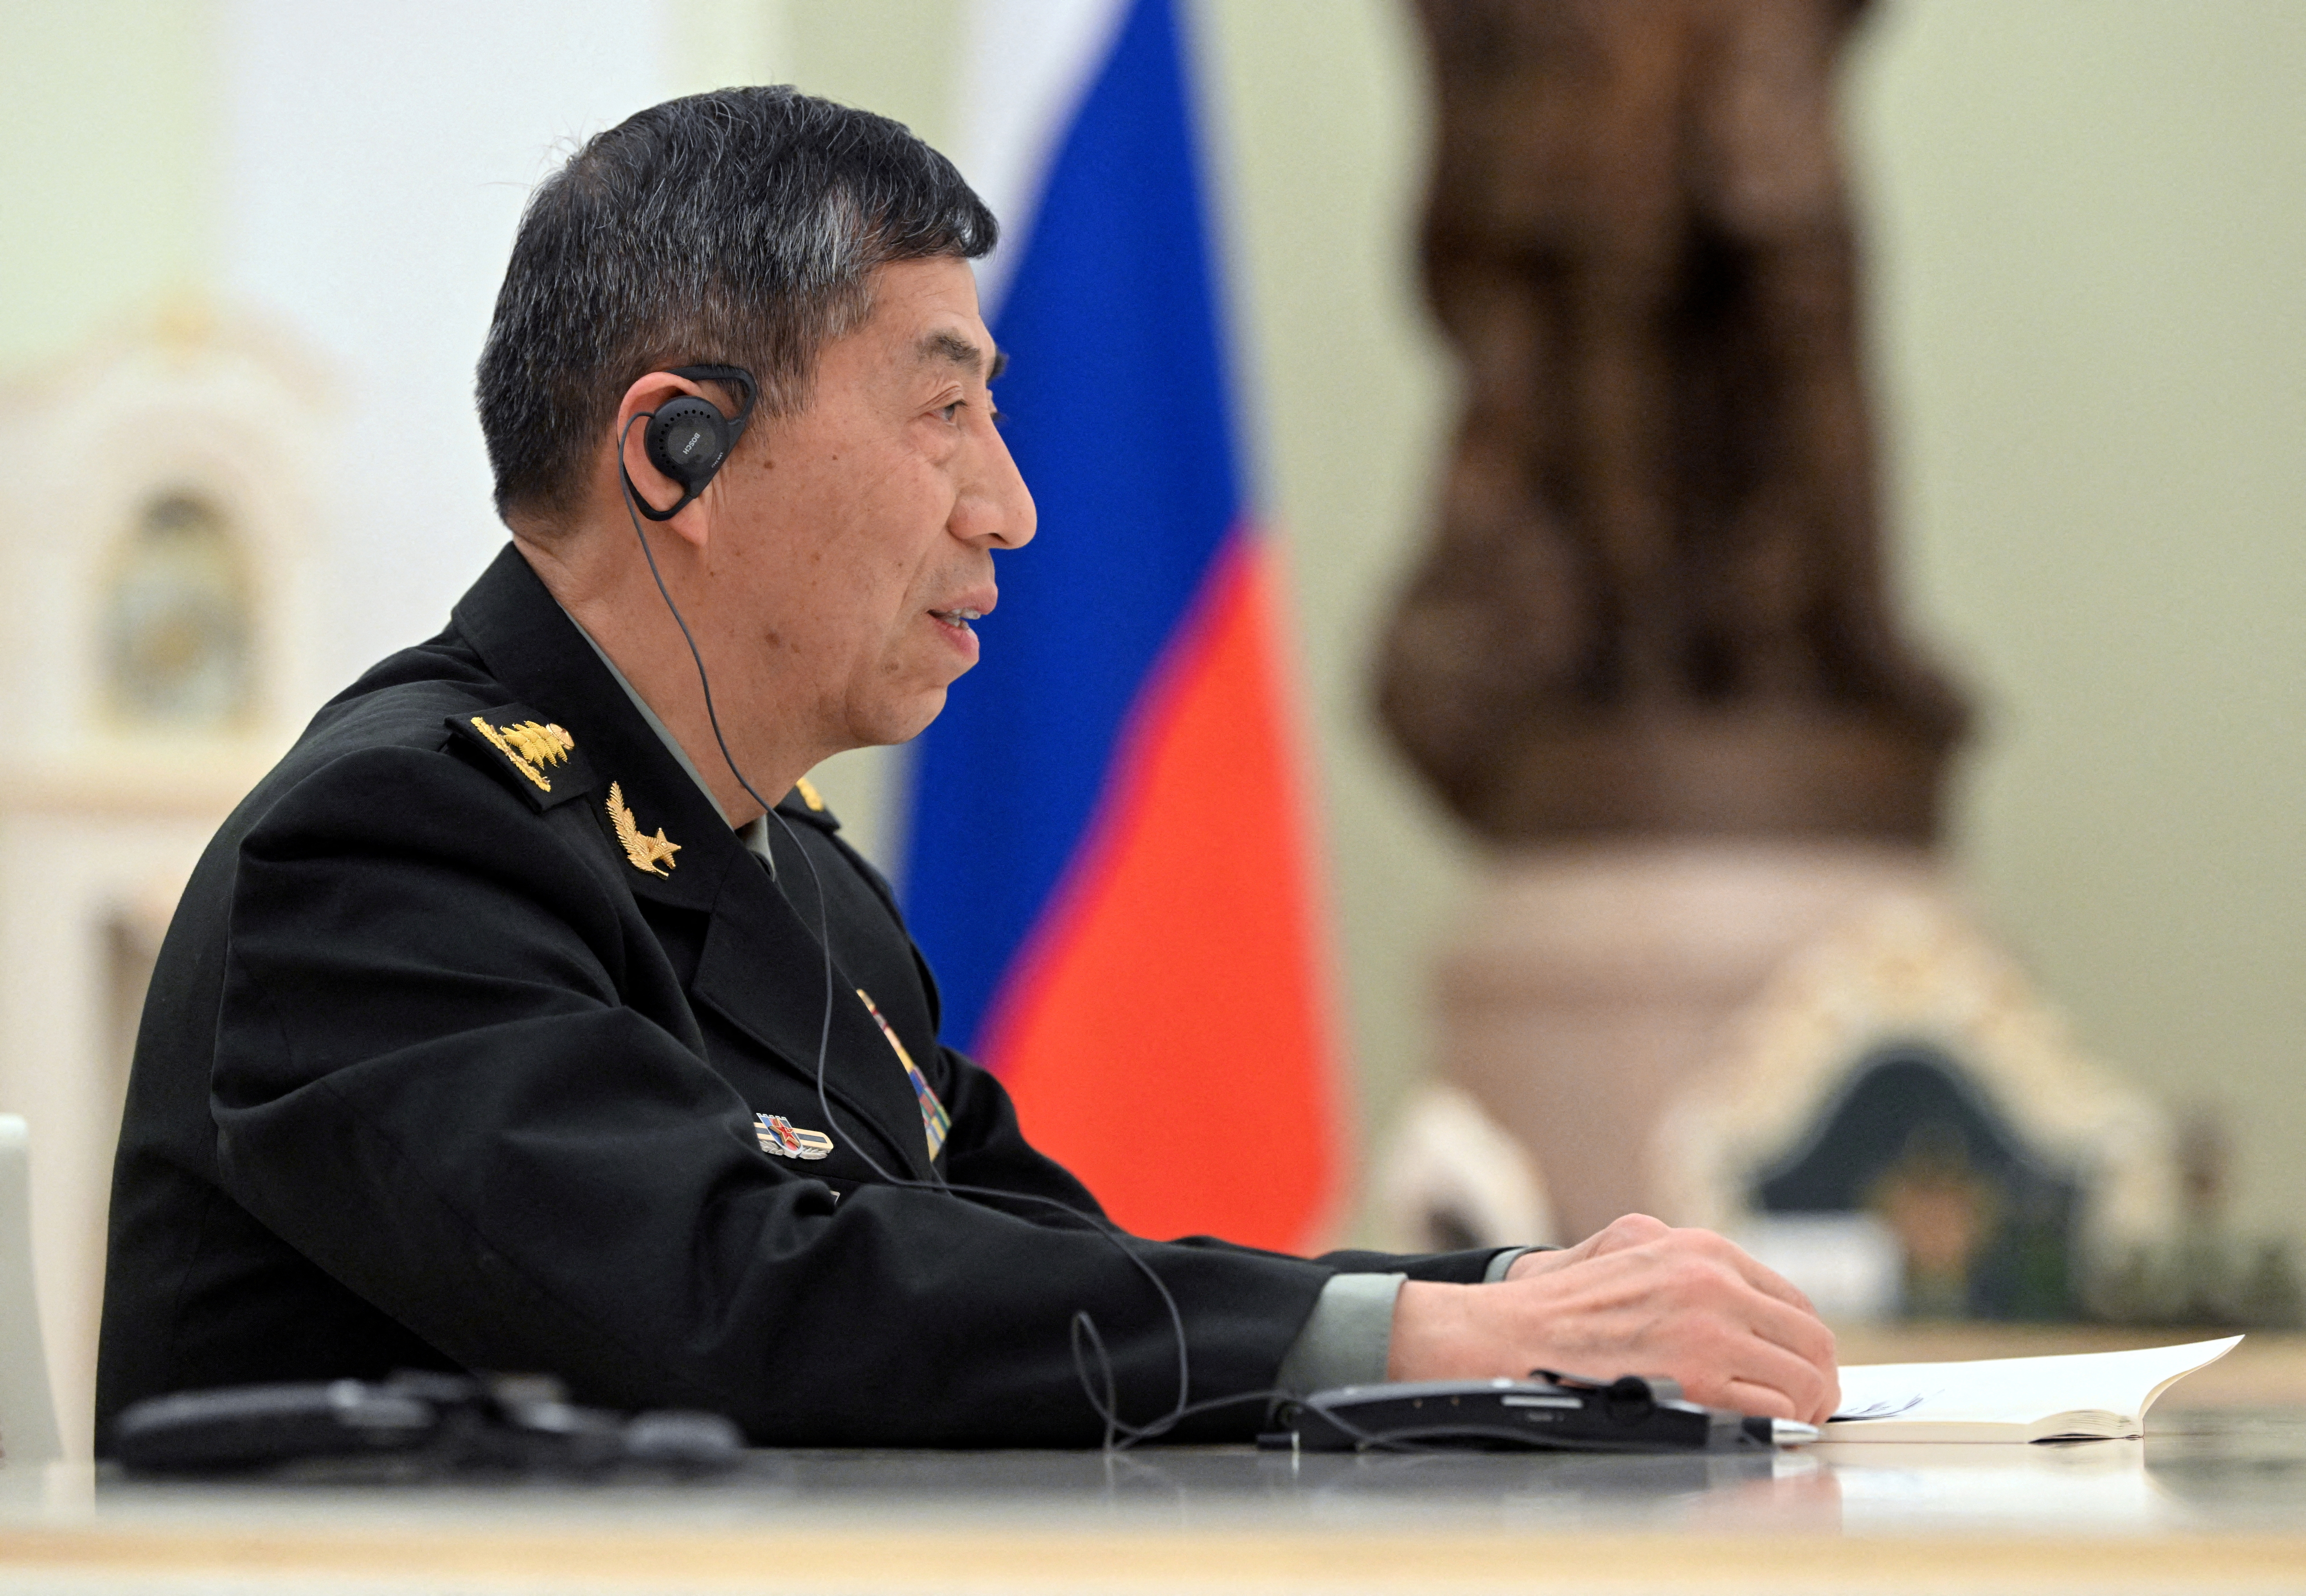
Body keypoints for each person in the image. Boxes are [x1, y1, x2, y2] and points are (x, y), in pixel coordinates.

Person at [97, 87, 1837, 1449]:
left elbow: (1045, 1291)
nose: (1008, 506)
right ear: (673, 452)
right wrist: (1448, 1332)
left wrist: (1507, 1304)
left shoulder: (806, 888)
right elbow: (744, 1306)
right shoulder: (389, 846)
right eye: (944, 414)